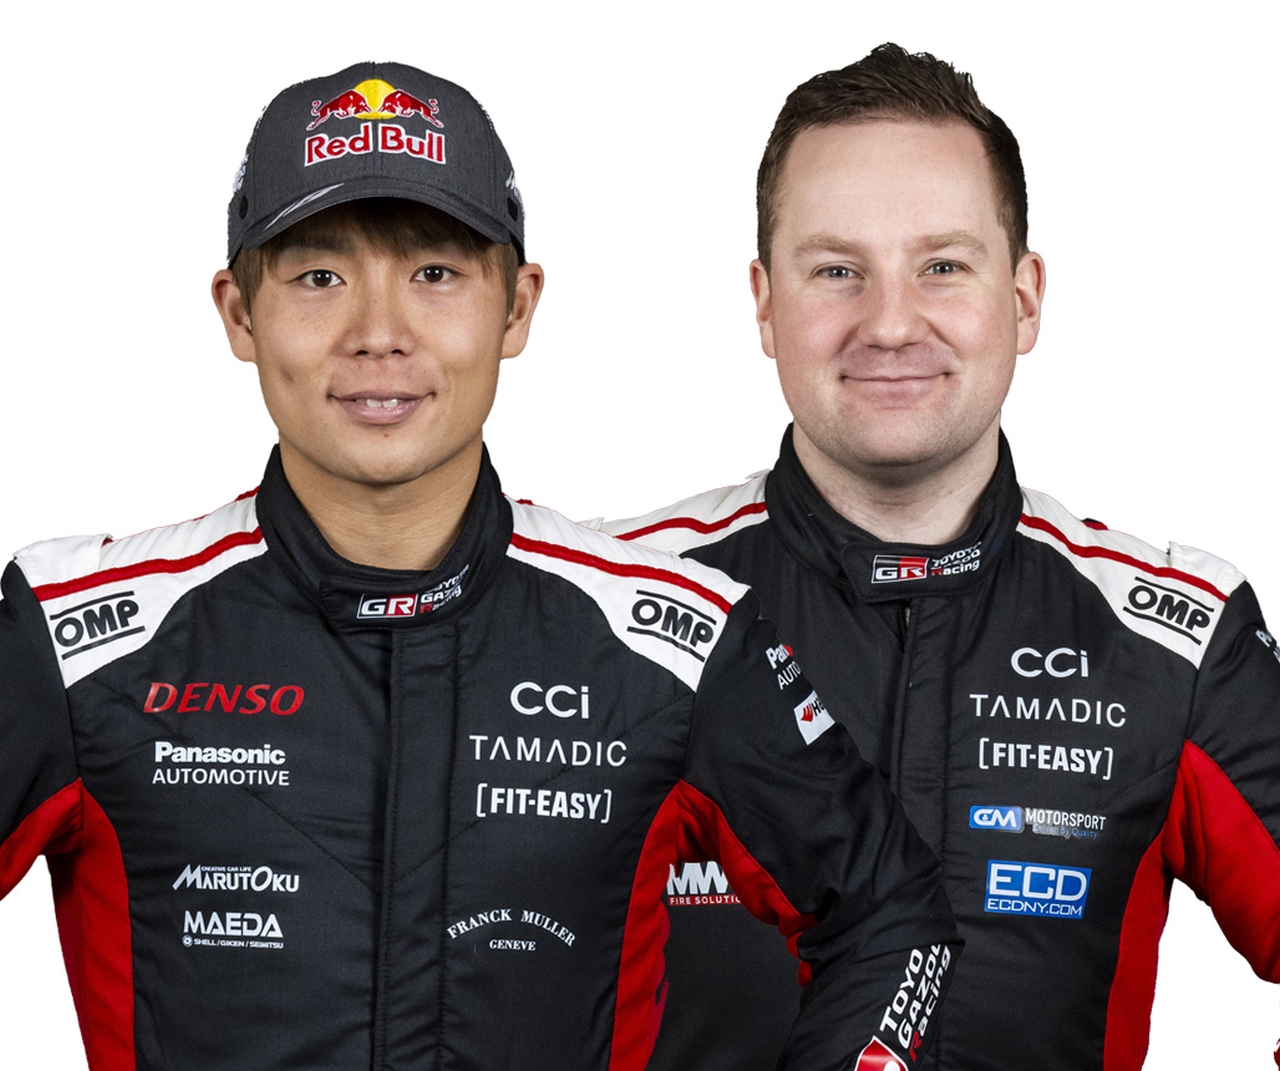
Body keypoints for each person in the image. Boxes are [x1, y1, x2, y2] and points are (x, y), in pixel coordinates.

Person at [0, 61, 959, 1071]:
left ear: (516, 307)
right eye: (319, 278)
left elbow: (890, 916)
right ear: (239, 312)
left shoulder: (673, 644)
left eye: (435, 274)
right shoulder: (75, 642)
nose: (379, 336)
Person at [605, 43, 1280, 1071]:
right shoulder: (610, 616)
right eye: (837, 271)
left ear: (1023, 298)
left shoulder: (1175, 640)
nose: (888, 324)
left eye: (942, 267)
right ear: (764, 302)